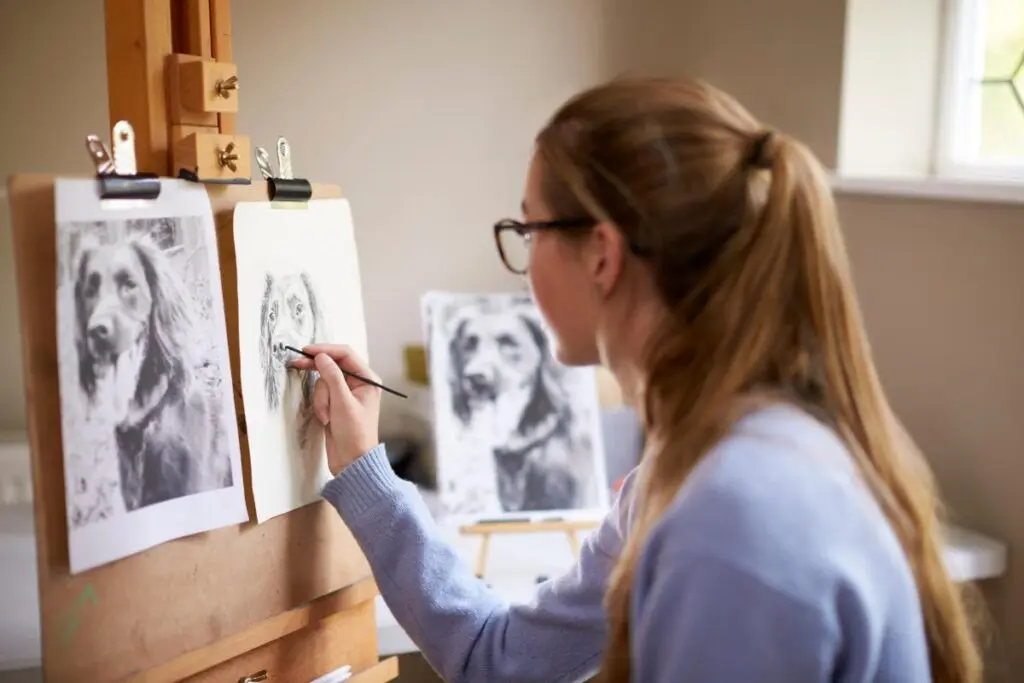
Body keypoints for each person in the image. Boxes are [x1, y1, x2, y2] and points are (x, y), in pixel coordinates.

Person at [291, 76, 984, 682]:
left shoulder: (733, 515)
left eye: (528, 229)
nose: (523, 260)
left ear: (602, 255)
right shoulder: (687, 463)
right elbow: (498, 657)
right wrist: (365, 467)